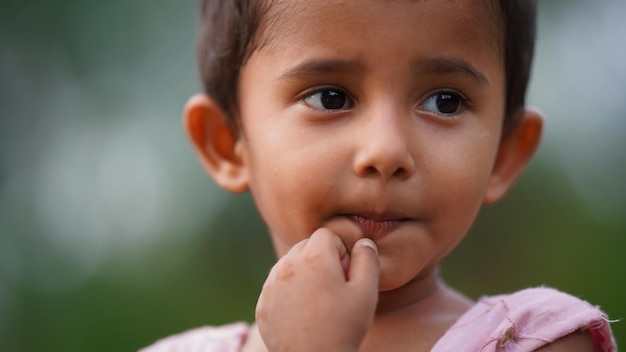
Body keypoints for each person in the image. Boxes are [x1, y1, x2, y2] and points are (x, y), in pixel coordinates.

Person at [142, 0, 617, 351]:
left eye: (444, 101)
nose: (386, 150)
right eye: (331, 97)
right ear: (228, 143)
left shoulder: (536, 342)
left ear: (503, 155)